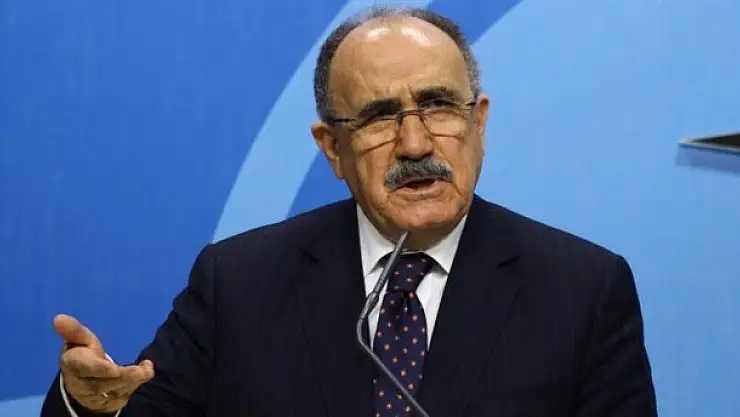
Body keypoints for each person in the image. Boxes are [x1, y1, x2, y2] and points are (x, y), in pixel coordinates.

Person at [40, 5, 658, 417]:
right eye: (379, 117)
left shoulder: (583, 289)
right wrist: (86, 407)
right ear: (332, 148)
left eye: (438, 106)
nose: (414, 143)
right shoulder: (239, 282)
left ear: (479, 123)